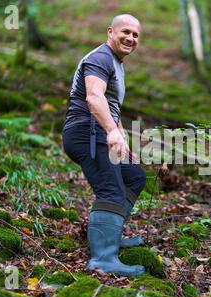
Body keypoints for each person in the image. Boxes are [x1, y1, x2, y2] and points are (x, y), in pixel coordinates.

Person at [62, 14, 147, 276]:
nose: (130, 38)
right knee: (110, 189)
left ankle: (110, 235)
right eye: (125, 32)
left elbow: (111, 107)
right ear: (110, 31)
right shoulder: (100, 58)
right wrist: (111, 131)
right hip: (86, 131)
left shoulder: (116, 63)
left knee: (134, 176)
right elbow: (94, 97)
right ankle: (103, 258)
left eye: (135, 35)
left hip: (99, 132)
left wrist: (121, 136)